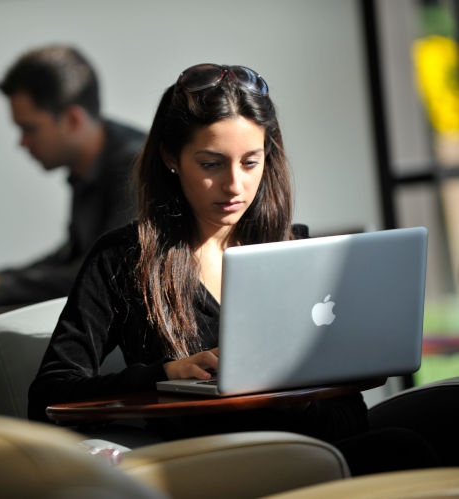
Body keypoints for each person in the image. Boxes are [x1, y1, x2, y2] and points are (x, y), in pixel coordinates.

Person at [27, 63, 440, 475]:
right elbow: (48, 394)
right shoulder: (123, 258)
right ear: (171, 157)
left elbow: (344, 400)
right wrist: (164, 373)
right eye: (211, 164)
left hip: (321, 441)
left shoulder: (293, 246)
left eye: (250, 162)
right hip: (225, 462)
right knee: (403, 448)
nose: (234, 186)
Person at [0, 45, 146, 306]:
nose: (22, 143)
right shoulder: (91, 166)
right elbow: (72, 259)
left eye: (29, 129)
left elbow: (106, 275)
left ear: (73, 120)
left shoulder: (135, 167)